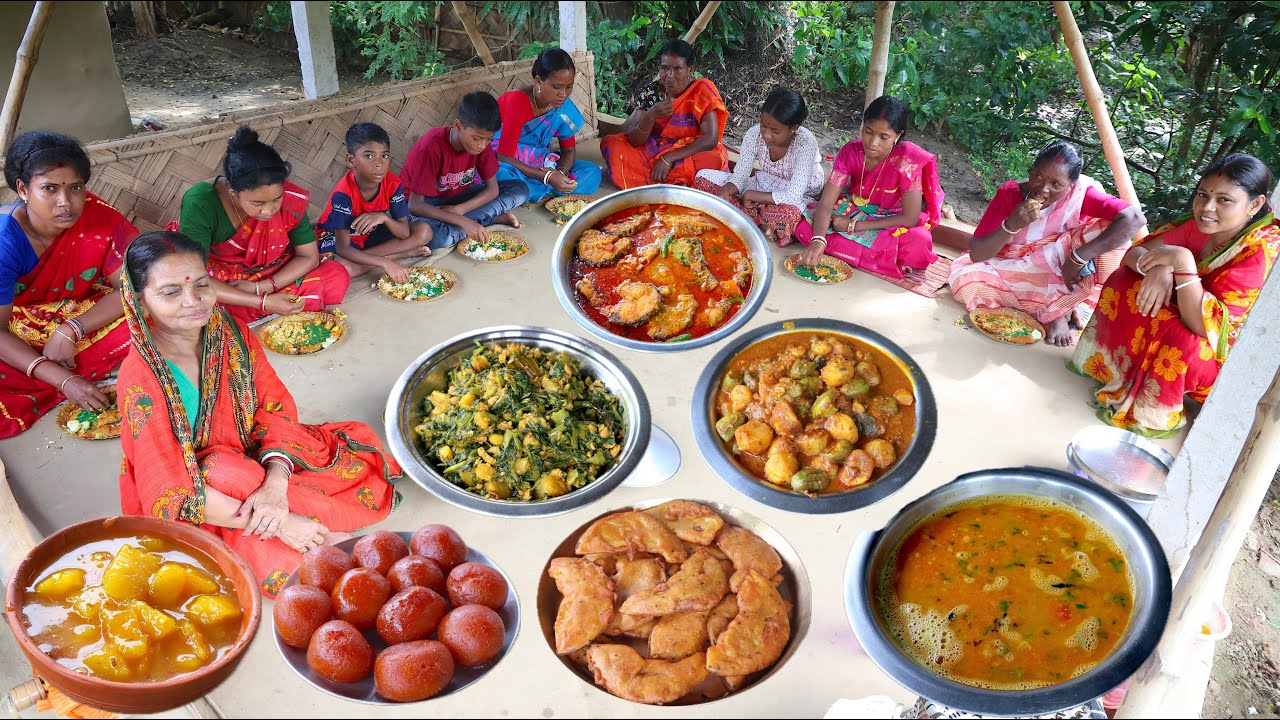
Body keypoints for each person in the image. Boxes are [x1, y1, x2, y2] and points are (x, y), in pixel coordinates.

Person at [117, 231, 402, 597]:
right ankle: (312, 532)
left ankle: (307, 527)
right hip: (202, 492)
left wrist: (276, 484)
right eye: (171, 292)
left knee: (356, 436)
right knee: (220, 466)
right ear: (140, 301)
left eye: (202, 284)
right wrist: (284, 522)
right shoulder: (142, 377)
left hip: (256, 463)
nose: (194, 301)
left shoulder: (231, 334)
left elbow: (274, 410)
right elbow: (169, 489)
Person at [1069, 154, 1279, 437]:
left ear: (1254, 204)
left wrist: (1180, 261)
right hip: (1190, 313)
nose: (1207, 207)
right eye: (1203, 195)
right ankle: (1112, 370)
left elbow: (1207, 329)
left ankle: (1156, 405)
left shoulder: (1258, 253)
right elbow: (1134, 255)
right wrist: (1162, 270)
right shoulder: (1199, 225)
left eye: (1224, 200)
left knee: (1182, 340)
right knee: (1124, 281)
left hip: (1223, 360)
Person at [0, 131, 138, 439]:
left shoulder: (99, 219)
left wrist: (70, 329)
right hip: (17, 327)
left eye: (75, 187)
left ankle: (77, 366)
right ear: (23, 189)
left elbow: (133, 288)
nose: (66, 202)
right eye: (49, 188)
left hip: (82, 312)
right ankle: (75, 373)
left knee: (157, 314)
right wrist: (63, 380)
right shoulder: (4, 242)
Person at [949, 141, 1147, 346]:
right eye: (1038, 177)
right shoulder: (1011, 193)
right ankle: (1058, 310)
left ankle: (1057, 311)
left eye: (1056, 184)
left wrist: (1078, 257)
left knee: (1108, 228)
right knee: (966, 281)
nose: (1043, 189)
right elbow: (977, 255)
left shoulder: (1080, 196)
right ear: (1031, 170)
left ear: (1072, 185)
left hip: (1063, 271)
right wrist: (1011, 225)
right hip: (1014, 268)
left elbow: (1134, 219)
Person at [174, 126, 349, 323]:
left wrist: (263, 288)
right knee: (197, 304)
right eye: (257, 203)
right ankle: (266, 310)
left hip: (273, 270)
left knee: (335, 276)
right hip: (224, 279)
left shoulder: (291, 200)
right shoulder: (200, 203)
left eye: (277, 198)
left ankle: (267, 309)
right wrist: (263, 302)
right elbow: (193, 276)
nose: (269, 211)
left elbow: (308, 256)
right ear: (232, 190)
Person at [795, 95, 944, 280]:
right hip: (855, 208)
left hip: (891, 221)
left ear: (897, 136)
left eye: (884, 137)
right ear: (862, 126)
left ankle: (855, 251)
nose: (873, 143)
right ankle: (881, 260)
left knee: (919, 242)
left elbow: (910, 218)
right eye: (868, 131)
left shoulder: (908, 161)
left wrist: (854, 226)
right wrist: (818, 240)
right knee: (804, 226)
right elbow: (826, 203)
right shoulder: (851, 152)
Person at [694, 87, 824, 245]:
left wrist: (752, 195)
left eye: (775, 131)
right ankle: (765, 221)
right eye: (763, 125)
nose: (766, 134)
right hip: (765, 182)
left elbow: (793, 196)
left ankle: (752, 215)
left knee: (791, 215)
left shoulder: (805, 142)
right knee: (702, 178)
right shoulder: (754, 134)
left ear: (794, 128)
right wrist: (724, 192)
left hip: (799, 193)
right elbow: (740, 175)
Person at [402, 91, 529, 251]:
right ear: (458, 126)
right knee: (437, 237)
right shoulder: (430, 147)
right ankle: (486, 219)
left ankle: (473, 222)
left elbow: (492, 189)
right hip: (427, 205)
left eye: (488, 139)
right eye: (477, 138)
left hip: (457, 199)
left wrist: (459, 211)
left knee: (520, 189)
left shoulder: (482, 145)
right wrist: (463, 221)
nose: (482, 145)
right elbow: (415, 205)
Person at [600, 39, 729, 189]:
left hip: (690, 151)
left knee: (713, 158)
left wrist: (669, 158)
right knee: (612, 144)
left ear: (690, 70)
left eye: (677, 69)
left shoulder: (702, 90)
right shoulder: (651, 92)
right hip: (655, 148)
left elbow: (710, 139)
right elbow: (635, 141)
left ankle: (664, 180)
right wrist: (650, 116)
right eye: (664, 68)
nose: (669, 75)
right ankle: (678, 182)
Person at [317, 122, 431, 282]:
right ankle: (399, 255)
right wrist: (384, 262)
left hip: (370, 235)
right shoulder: (343, 194)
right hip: (340, 240)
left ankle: (367, 259)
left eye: (384, 155)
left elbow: (404, 233)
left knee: (424, 230)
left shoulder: (392, 183)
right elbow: (343, 248)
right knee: (343, 268)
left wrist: (383, 217)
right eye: (369, 156)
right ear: (351, 160)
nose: (379, 163)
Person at [493, 47, 602, 204]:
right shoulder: (518, 101)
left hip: (540, 162)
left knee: (591, 172)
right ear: (538, 81)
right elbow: (503, 156)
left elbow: (569, 149)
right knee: (500, 175)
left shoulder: (563, 107)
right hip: (509, 161)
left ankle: (542, 190)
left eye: (569, 87)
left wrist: (560, 172)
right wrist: (547, 177)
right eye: (557, 87)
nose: (563, 94)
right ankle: (546, 189)